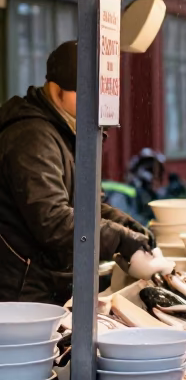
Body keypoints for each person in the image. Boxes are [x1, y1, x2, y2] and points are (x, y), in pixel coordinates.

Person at [0, 42, 155, 304]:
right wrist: (118, 238)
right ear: (56, 88)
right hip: (23, 292)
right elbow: (52, 220)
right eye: (82, 93)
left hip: (49, 283)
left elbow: (86, 204)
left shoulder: (68, 128)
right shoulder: (32, 138)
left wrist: (125, 225)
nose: (91, 102)